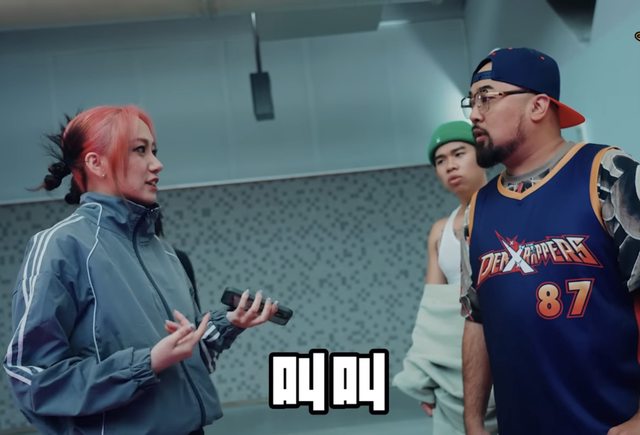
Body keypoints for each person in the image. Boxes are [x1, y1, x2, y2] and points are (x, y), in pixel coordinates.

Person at [3, 105, 278, 435]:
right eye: (139, 150)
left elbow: (188, 362)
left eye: (154, 151)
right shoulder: (60, 246)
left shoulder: (164, 253)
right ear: (95, 163)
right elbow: (33, 381)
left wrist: (228, 324)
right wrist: (145, 364)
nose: (157, 164)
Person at [459, 47, 640, 435]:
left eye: (486, 97)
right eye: (471, 102)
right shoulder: (478, 208)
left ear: (538, 105)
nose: (474, 114)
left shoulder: (608, 173)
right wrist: (472, 421)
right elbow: (476, 319)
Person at [393, 121, 497, 435]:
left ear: (480, 155)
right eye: (440, 160)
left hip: (512, 360)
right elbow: (432, 312)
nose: (450, 165)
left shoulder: (512, 210)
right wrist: (424, 376)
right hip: (459, 372)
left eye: (458, 153)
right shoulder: (440, 231)